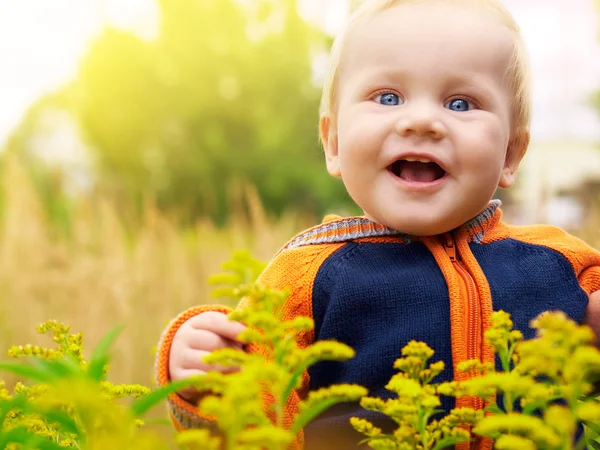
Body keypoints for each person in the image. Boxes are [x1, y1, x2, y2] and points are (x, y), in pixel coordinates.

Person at [155, 0, 600, 448]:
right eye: (387, 97)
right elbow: (253, 426)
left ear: (510, 155)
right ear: (333, 142)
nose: (422, 121)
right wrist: (204, 380)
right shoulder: (307, 279)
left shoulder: (561, 263)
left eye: (461, 103)